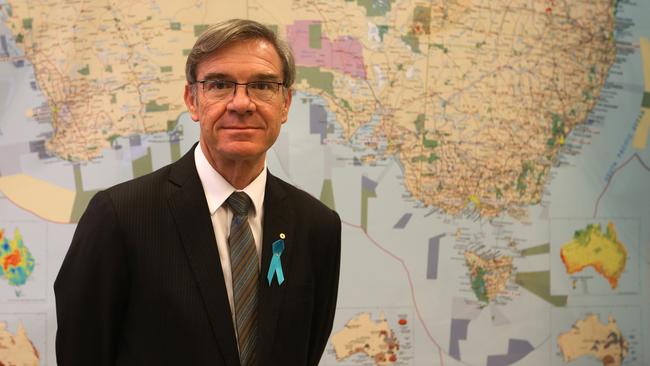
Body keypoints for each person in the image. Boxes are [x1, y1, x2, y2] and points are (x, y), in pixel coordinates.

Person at [54, 19, 341, 366]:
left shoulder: (317, 227)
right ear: (192, 100)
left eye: (262, 85)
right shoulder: (120, 217)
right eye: (220, 84)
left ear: (285, 104)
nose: (242, 103)